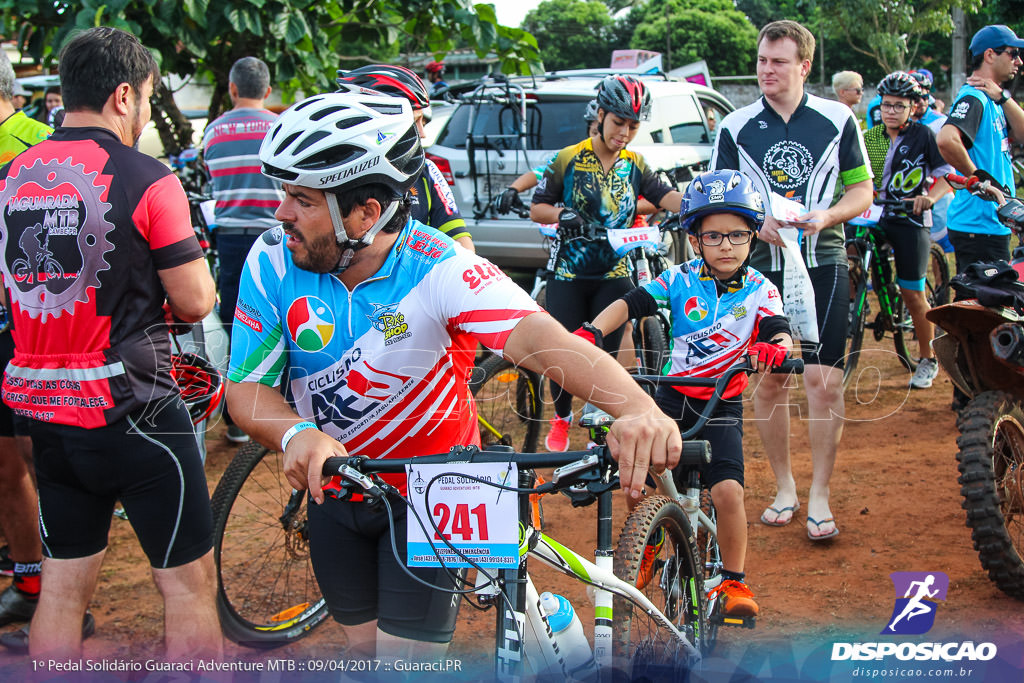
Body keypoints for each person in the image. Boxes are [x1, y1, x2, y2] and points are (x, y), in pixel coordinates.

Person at [224, 89, 681, 661]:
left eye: (303, 200)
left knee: (400, 667)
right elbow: (246, 389)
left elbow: (544, 341)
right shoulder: (271, 259)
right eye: (283, 194)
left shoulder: (438, 268)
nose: (281, 213)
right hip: (336, 493)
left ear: (366, 213)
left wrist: (637, 408)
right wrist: (297, 434)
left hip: (434, 492)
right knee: (362, 657)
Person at [0, 27, 220, 660]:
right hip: (138, 408)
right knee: (186, 586)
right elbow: (197, 300)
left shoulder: (10, 178)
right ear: (124, 95)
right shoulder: (147, 177)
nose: (146, 111)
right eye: (148, 97)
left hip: (44, 412)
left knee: (64, 590)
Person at [584, 169, 793, 617]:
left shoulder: (762, 290)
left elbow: (779, 330)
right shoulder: (678, 279)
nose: (726, 246)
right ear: (695, 239)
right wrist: (591, 331)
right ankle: (648, 540)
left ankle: (734, 584)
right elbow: (632, 303)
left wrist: (775, 350)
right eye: (713, 235)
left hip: (721, 404)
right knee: (639, 477)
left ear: (753, 237)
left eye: (737, 235)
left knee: (729, 494)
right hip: (671, 397)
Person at [711, 20, 873, 540]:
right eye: (761, 60)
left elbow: (862, 191)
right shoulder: (734, 127)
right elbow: (722, 196)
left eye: (778, 62)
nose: (766, 70)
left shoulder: (836, 118)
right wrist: (756, 225)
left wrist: (826, 218)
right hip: (757, 269)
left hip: (823, 260)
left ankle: (820, 495)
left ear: (804, 66)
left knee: (822, 381)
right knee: (772, 378)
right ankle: (785, 486)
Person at [530, 74, 686, 452]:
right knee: (564, 353)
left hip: (616, 274)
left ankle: (598, 422)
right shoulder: (566, 158)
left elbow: (667, 197)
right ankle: (562, 417)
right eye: (619, 122)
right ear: (599, 115)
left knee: (603, 353)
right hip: (569, 271)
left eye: (634, 125)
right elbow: (538, 208)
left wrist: (706, 209)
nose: (625, 132)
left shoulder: (636, 163)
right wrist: (562, 214)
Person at [0, 48, 59, 650]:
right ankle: (29, 578)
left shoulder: (37, 141)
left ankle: (60, 591)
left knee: (36, 455)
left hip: (32, 328)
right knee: (6, 463)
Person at [201, 56, 283, 444]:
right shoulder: (279, 128)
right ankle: (281, 409)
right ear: (266, 91)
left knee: (239, 319)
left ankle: (238, 419)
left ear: (232, 89)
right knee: (285, 316)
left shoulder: (213, 133)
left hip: (232, 238)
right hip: (278, 237)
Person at [862, 72, 953, 389]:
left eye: (898, 106)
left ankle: (928, 359)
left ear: (913, 107)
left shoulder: (923, 136)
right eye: (886, 105)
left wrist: (929, 197)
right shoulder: (871, 137)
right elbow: (860, 178)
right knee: (851, 256)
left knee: (913, 293)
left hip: (911, 219)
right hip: (875, 216)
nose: (890, 112)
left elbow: (945, 177)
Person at [335, 64, 473, 250]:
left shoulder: (426, 171)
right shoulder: (334, 176)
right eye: (415, 122)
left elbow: (461, 244)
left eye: (423, 122)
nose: (423, 134)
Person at [937, 24, 1024, 273]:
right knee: (981, 308)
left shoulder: (992, 99)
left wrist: (1004, 98)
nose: (1018, 61)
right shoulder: (974, 98)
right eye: (1013, 53)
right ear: (989, 55)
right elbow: (946, 140)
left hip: (991, 224)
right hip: (978, 225)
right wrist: (979, 179)